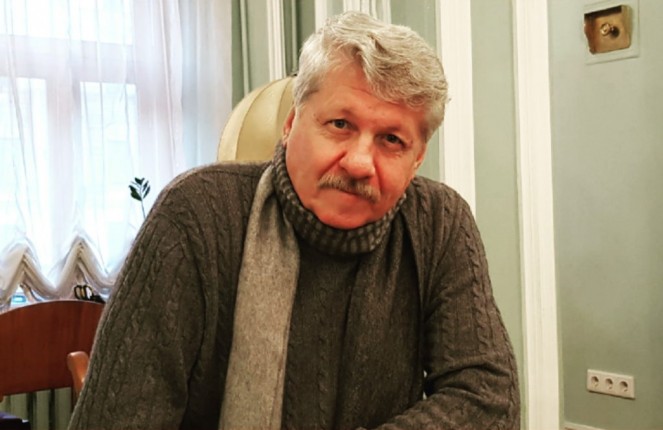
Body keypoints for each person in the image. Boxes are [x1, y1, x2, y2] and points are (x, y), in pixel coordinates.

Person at [69, 11, 519, 430]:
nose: (360, 162)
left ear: (417, 159)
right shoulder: (195, 215)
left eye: (391, 140)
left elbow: (489, 400)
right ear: (290, 125)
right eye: (340, 124)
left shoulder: (439, 222)